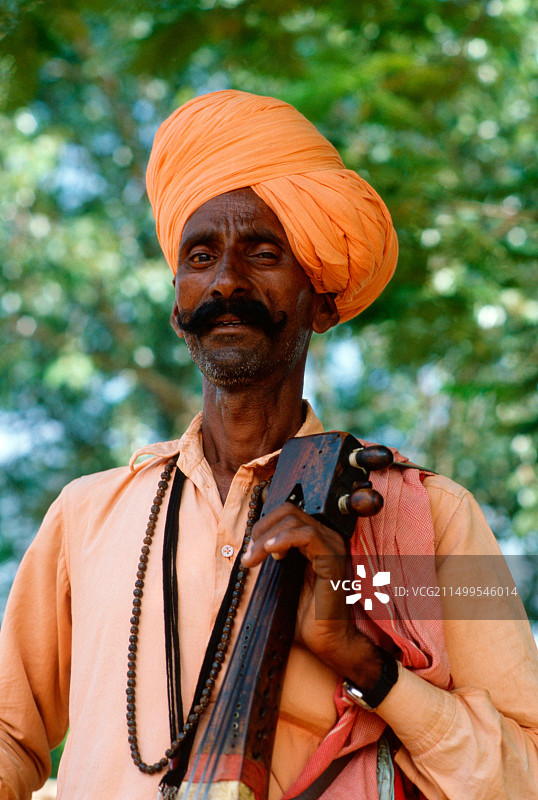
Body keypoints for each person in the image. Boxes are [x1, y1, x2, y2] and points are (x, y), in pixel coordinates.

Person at [0, 90, 537, 800]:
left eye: (263, 251)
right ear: (178, 306)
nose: (226, 279)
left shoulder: (422, 518)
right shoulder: (87, 517)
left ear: (322, 295)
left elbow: (524, 776)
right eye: (201, 255)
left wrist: (368, 665)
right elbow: (10, 740)